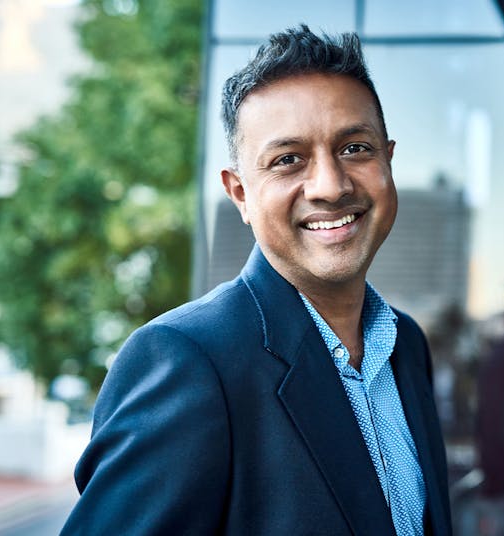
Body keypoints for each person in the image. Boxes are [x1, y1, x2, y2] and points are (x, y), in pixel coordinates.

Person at [61, 25, 451, 535]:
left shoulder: (407, 345)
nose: (330, 186)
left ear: (388, 161)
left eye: (355, 148)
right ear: (240, 194)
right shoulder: (187, 361)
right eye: (288, 160)